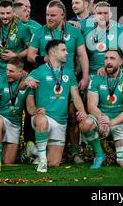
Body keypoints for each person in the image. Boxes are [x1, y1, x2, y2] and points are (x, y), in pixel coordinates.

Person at [27, 0, 89, 163]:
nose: (49, 17)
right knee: (46, 114)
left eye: (53, 15)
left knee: (72, 115)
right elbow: (30, 55)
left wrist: (86, 76)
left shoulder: (74, 31)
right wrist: (43, 59)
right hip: (48, 81)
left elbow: (82, 55)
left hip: (68, 79)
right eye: (47, 14)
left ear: (63, 15)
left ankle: (75, 151)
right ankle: (43, 150)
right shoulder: (40, 32)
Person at [24, 40, 87, 173]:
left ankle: (35, 151)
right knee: (41, 119)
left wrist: (82, 111)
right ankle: (41, 161)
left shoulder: (69, 72)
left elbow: (75, 96)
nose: (67, 53)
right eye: (63, 50)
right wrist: (26, 81)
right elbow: (24, 91)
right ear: (53, 52)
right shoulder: (39, 71)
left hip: (61, 121)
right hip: (43, 116)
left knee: (54, 163)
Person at [79, 50, 123, 169]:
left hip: (121, 121)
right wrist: (102, 118)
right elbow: (91, 106)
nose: (108, 62)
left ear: (121, 61)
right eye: (106, 58)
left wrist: (112, 122)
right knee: (86, 123)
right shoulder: (96, 78)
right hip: (101, 119)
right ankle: (99, 154)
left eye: (112, 58)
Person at [0, 58, 29, 172]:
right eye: (7, 70)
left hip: (14, 122)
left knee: (9, 161)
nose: (7, 73)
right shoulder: (0, 80)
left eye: (11, 71)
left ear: (21, 72)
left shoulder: (27, 81)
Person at [0, 0, 32, 75]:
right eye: (2, 13)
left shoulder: (23, 28)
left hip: (14, 72)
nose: (5, 16)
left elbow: (31, 49)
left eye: (8, 13)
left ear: (14, 12)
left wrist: (16, 55)